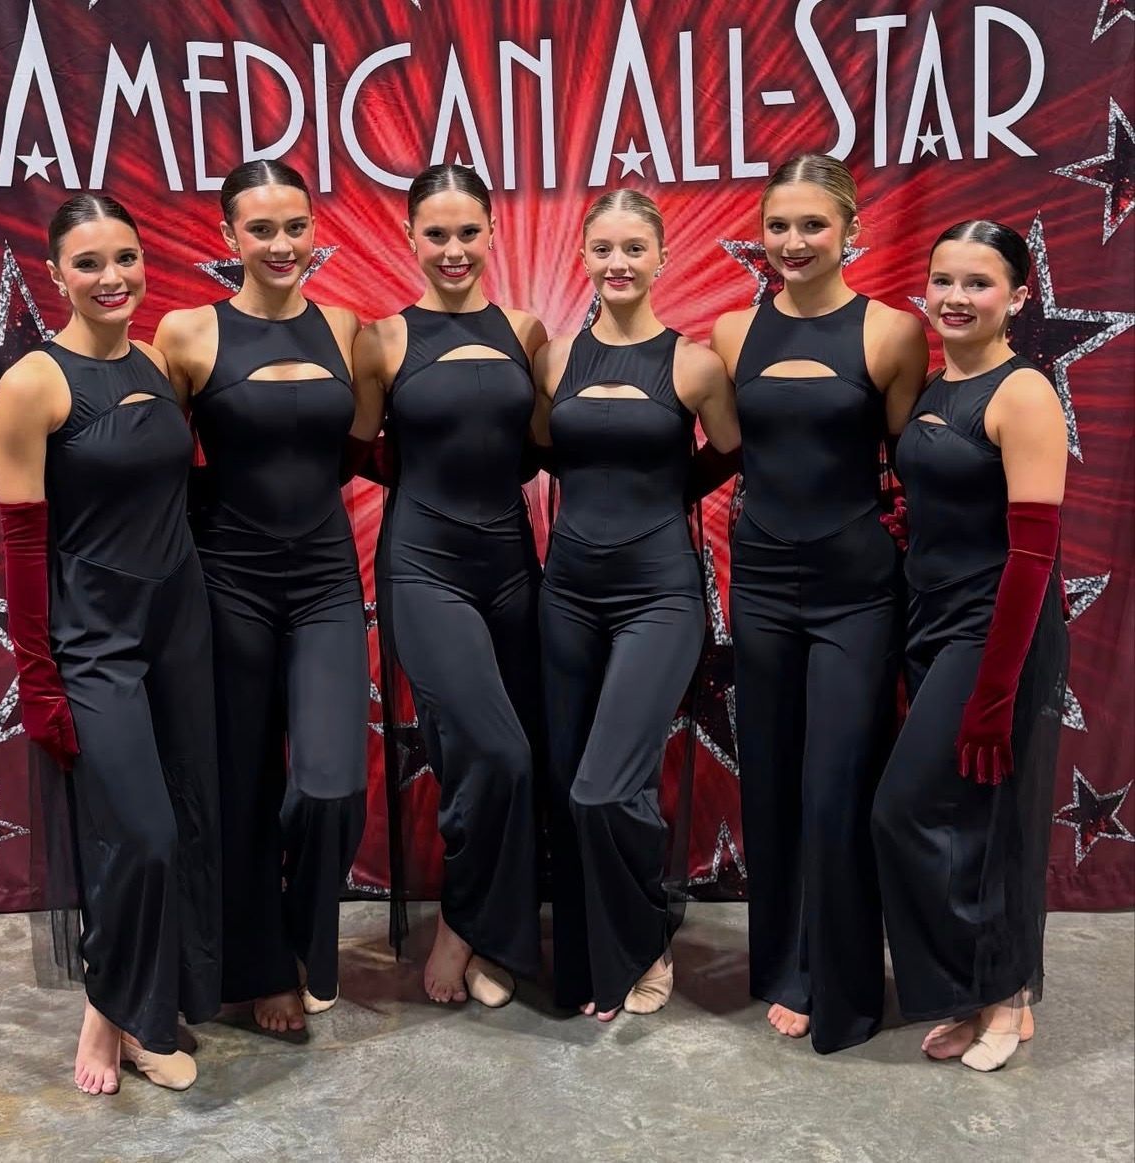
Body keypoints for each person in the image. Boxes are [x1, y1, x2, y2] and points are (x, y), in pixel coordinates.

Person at [0, 195, 220, 1093]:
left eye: (125, 257)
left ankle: (131, 1007)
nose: (112, 276)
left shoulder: (158, 360)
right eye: (88, 263)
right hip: (94, 642)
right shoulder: (34, 384)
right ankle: (116, 1015)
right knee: (142, 833)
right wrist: (39, 680)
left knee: (186, 822)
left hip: (181, 627)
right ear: (56, 275)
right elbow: (21, 547)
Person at [710, 154, 927, 1053]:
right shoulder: (730, 333)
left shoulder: (894, 334)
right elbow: (726, 451)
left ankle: (843, 980)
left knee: (838, 784)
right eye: (778, 225)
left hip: (857, 589)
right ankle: (787, 963)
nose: (793, 241)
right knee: (770, 779)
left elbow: (916, 464)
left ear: (851, 231)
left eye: (812, 225)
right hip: (760, 583)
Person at [153, 160, 367, 1034]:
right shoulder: (186, 333)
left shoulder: (345, 327)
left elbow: (354, 450)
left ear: (315, 229)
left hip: (325, 580)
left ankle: (309, 940)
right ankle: (265, 966)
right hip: (227, 583)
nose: (282, 244)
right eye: (262, 228)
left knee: (329, 784)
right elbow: (159, 462)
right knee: (241, 785)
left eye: (296, 226)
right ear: (229, 236)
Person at [535, 189, 739, 1021]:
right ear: (583, 256)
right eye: (603, 248)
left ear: (661, 257)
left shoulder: (694, 365)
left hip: (659, 594)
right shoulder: (554, 358)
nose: (617, 263)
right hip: (566, 594)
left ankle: (645, 934)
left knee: (606, 785)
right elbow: (546, 447)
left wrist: (660, 495)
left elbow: (727, 452)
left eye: (634, 248)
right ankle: (591, 952)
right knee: (568, 784)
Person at [872, 220, 1068, 1072]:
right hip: (932, 619)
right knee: (960, 818)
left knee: (938, 811)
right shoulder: (935, 382)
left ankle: (1005, 993)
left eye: (978, 283)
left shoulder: (1023, 394)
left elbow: (1033, 556)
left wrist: (994, 689)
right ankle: (977, 989)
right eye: (943, 280)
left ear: (1018, 297)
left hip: (996, 630)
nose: (955, 297)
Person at [350, 163, 546, 1007]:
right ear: (411, 238)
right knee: (494, 749)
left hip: (511, 564)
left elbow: (535, 445)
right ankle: (462, 924)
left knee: (509, 751)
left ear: (493, 232)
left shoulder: (527, 331)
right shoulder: (383, 340)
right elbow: (360, 446)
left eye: (469, 231)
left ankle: (496, 935)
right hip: (423, 565)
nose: (454, 248)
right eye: (437, 234)